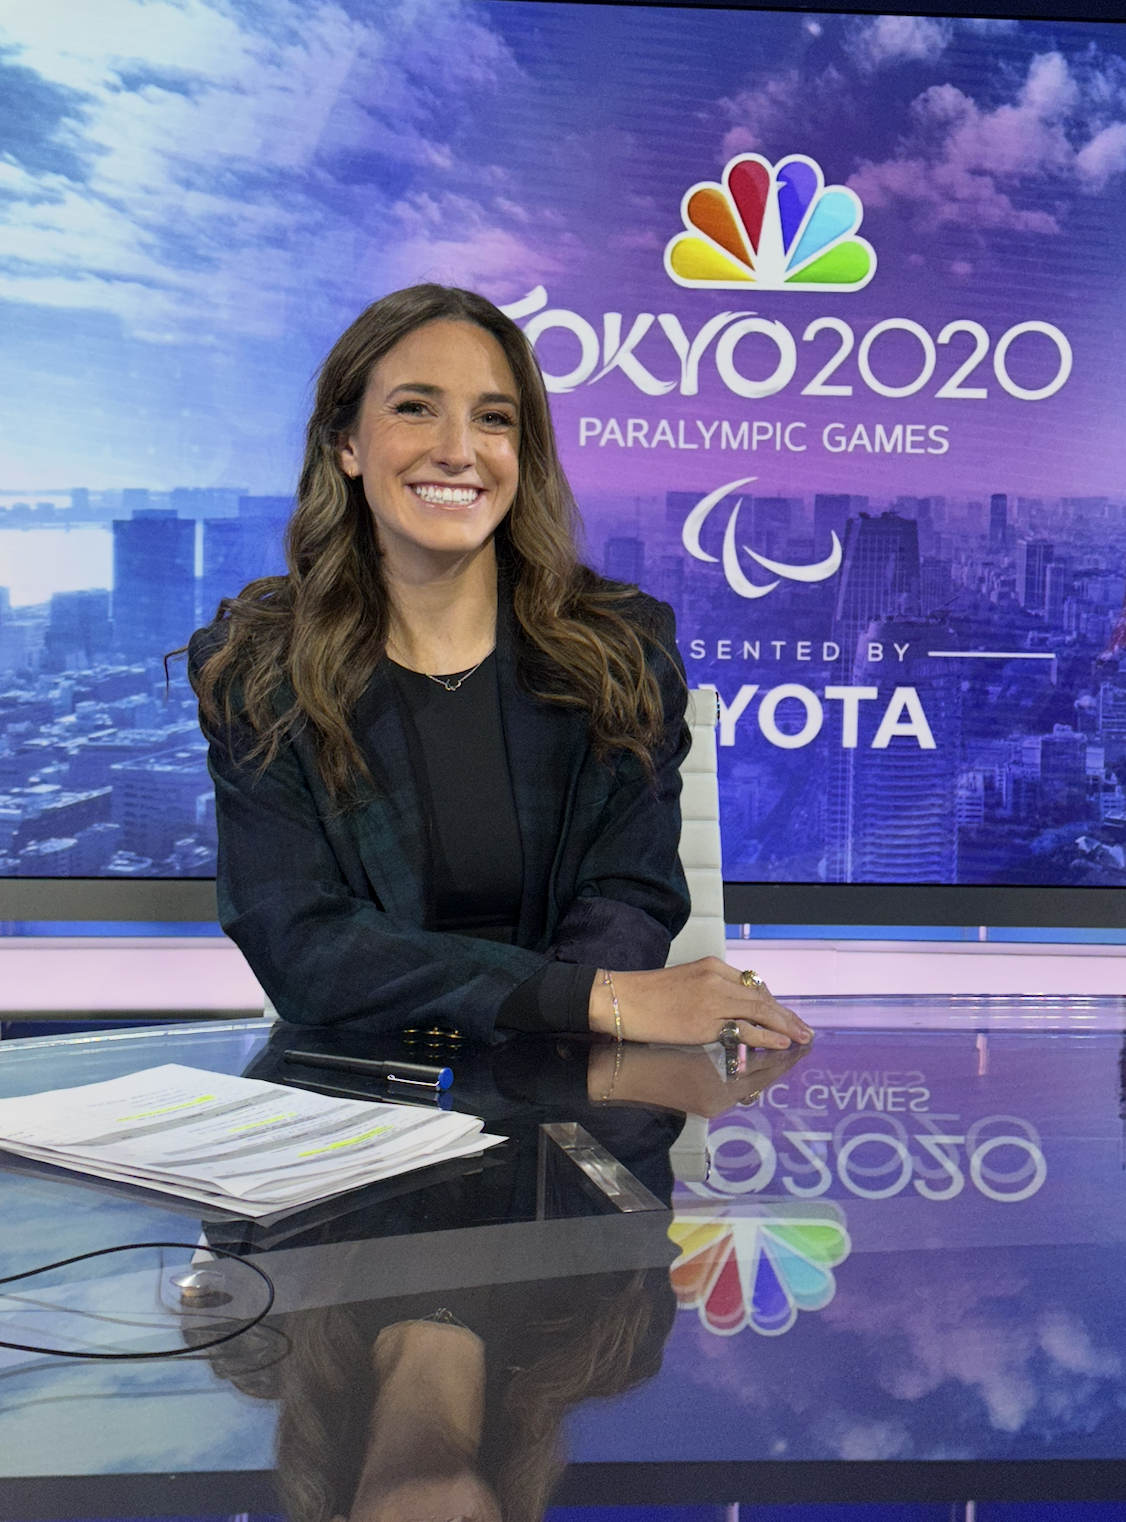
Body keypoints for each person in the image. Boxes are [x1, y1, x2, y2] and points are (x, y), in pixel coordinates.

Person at [188, 283, 811, 1051]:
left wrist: (558, 1033)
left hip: (571, 1083)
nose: (458, 449)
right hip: (358, 1095)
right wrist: (585, 1000)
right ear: (344, 445)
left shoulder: (621, 648)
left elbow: (629, 898)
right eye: (414, 408)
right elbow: (302, 946)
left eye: (494, 419)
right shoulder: (259, 666)